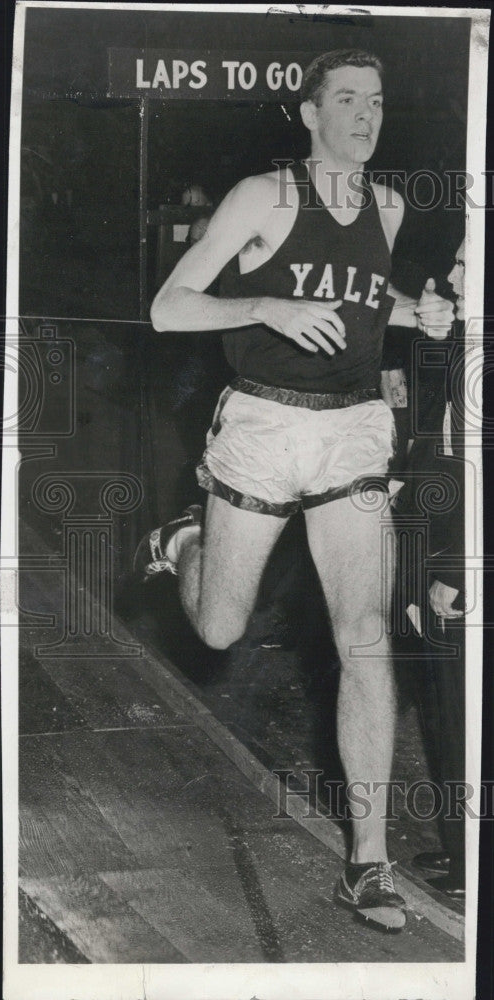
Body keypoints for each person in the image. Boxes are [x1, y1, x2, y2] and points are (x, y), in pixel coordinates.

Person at [135, 49, 454, 931]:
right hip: (264, 426)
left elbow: (359, 302)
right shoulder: (262, 198)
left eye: (376, 101)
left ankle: (369, 863)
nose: (365, 114)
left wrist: (413, 313)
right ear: (309, 113)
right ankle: (188, 541)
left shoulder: (386, 207)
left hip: (352, 426)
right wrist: (264, 306)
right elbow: (170, 306)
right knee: (221, 628)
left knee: (365, 640)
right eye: (346, 100)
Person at [401, 242, 466, 897]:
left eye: (466, 266)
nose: (450, 275)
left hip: (466, 563)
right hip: (442, 551)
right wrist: (435, 340)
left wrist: (460, 573)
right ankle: (462, 849)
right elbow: (431, 434)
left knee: (467, 713)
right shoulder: (468, 340)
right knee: (448, 714)